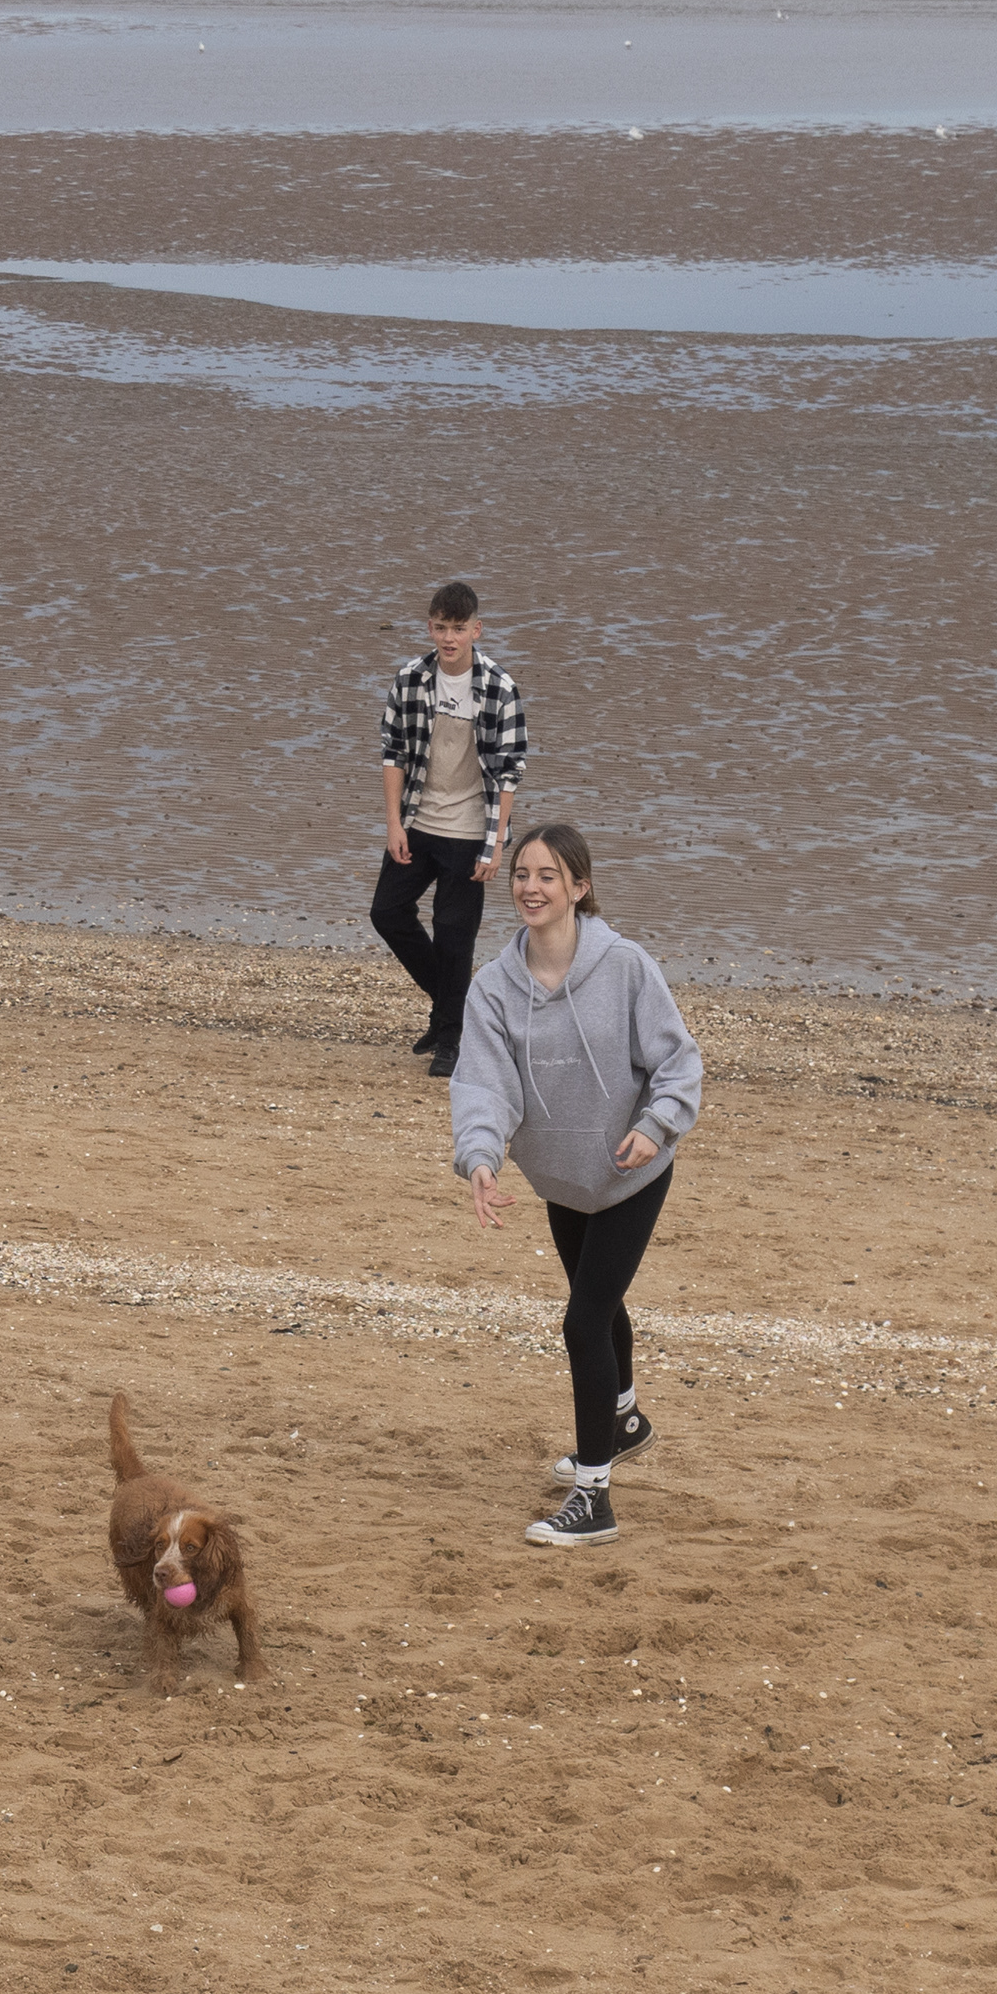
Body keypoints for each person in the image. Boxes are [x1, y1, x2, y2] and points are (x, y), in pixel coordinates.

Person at [449, 821, 703, 1552]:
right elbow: (483, 1084)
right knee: (602, 1302)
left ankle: (593, 1496)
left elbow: (679, 1064)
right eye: (522, 874)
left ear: (579, 887)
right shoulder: (494, 987)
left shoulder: (624, 967)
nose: (531, 886)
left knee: (582, 1321)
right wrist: (482, 1158)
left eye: (548, 875)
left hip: (632, 1173)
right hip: (561, 1179)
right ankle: (623, 1420)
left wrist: (655, 1126)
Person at [373, 581, 530, 1077]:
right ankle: (450, 1008)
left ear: (476, 630)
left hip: (469, 829)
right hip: (418, 820)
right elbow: (393, 753)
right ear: (430, 628)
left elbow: (509, 772)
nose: (449, 638)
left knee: (454, 933)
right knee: (387, 912)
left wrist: (496, 845)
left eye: (459, 629)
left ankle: (451, 1040)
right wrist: (394, 823)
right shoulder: (410, 679)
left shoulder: (499, 688)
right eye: (441, 627)